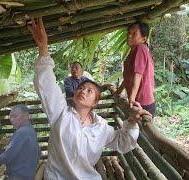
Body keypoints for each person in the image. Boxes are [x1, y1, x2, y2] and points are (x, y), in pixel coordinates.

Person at [29, 17, 149, 180]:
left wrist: (133, 121)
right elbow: (47, 86)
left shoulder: (101, 128)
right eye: (81, 88)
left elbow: (122, 142)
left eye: (90, 91)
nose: (83, 91)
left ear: (95, 103)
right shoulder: (60, 114)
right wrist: (43, 47)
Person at [115, 22, 156, 117]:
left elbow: (138, 75)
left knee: (140, 131)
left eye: (134, 34)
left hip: (142, 104)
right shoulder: (133, 52)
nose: (129, 36)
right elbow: (129, 77)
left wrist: (132, 98)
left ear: (144, 38)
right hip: (140, 102)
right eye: (129, 33)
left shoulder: (140, 48)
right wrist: (119, 91)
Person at [0, 104, 39, 180]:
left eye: (15, 116)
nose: (12, 119)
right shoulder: (31, 130)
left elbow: (8, 156)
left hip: (18, 176)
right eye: (10, 117)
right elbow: (38, 153)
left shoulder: (21, 132)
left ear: (26, 116)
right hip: (28, 175)